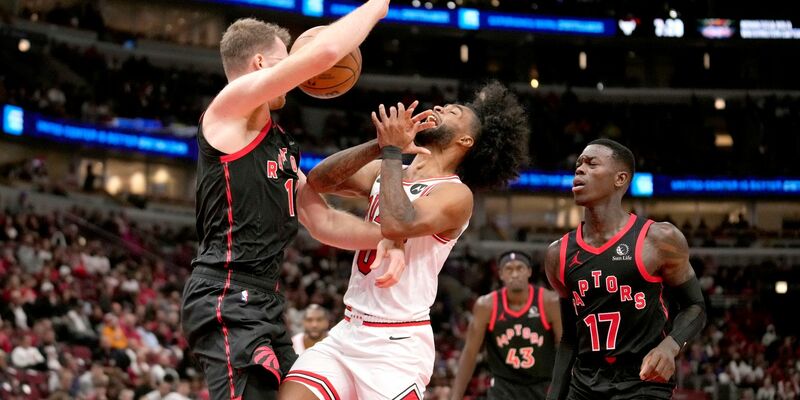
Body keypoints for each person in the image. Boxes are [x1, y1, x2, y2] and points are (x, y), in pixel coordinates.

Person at [180, 3, 392, 399]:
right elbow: (327, 54)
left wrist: (390, 237)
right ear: (261, 63)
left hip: (265, 300)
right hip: (227, 294)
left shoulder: (282, 145)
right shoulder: (229, 107)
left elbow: (323, 222)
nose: (295, 72)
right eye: (285, 61)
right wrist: (374, 8)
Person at [279, 82, 529, 400]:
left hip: (397, 344)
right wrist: (381, 145)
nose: (438, 109)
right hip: (347, 330)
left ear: (466, 140)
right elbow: (320, 180)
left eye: (452, 112)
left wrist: (393, 152)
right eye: (442, 106)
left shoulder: (455, 193)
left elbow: (397, 222)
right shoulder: (389, 170)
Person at [543, 139, 707, 400]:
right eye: (578, 164)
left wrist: (671, 345)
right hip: (584, 382)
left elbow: (696, 306)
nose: (579, 169)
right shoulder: (557, 254)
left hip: (642, 379)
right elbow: (570, 339)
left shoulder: (659, 239)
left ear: (620, 178)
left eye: (591, 163)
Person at [450, 251, 561, 400]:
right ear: (501, 274)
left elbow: (565, 349)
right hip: (503, 388)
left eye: (520, 268)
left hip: (542, 385)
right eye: (509, 269)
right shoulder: (486, 306)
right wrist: (455, 397)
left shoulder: (549, 302)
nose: (514, 274)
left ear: (529, 271)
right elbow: (470, 353)